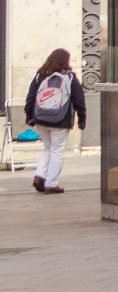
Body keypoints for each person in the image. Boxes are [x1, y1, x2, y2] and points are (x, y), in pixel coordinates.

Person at [21, 49, 83, 195]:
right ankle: (51, 183)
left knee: (47, 148)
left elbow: (30, 98)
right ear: (65, 61)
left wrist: (29, 116)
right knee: (57, 151)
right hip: (61, 121)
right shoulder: (70, 77)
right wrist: (82, 119)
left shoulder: (40, 76)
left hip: (41, 119)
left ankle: (40, 176)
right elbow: (79, 100)